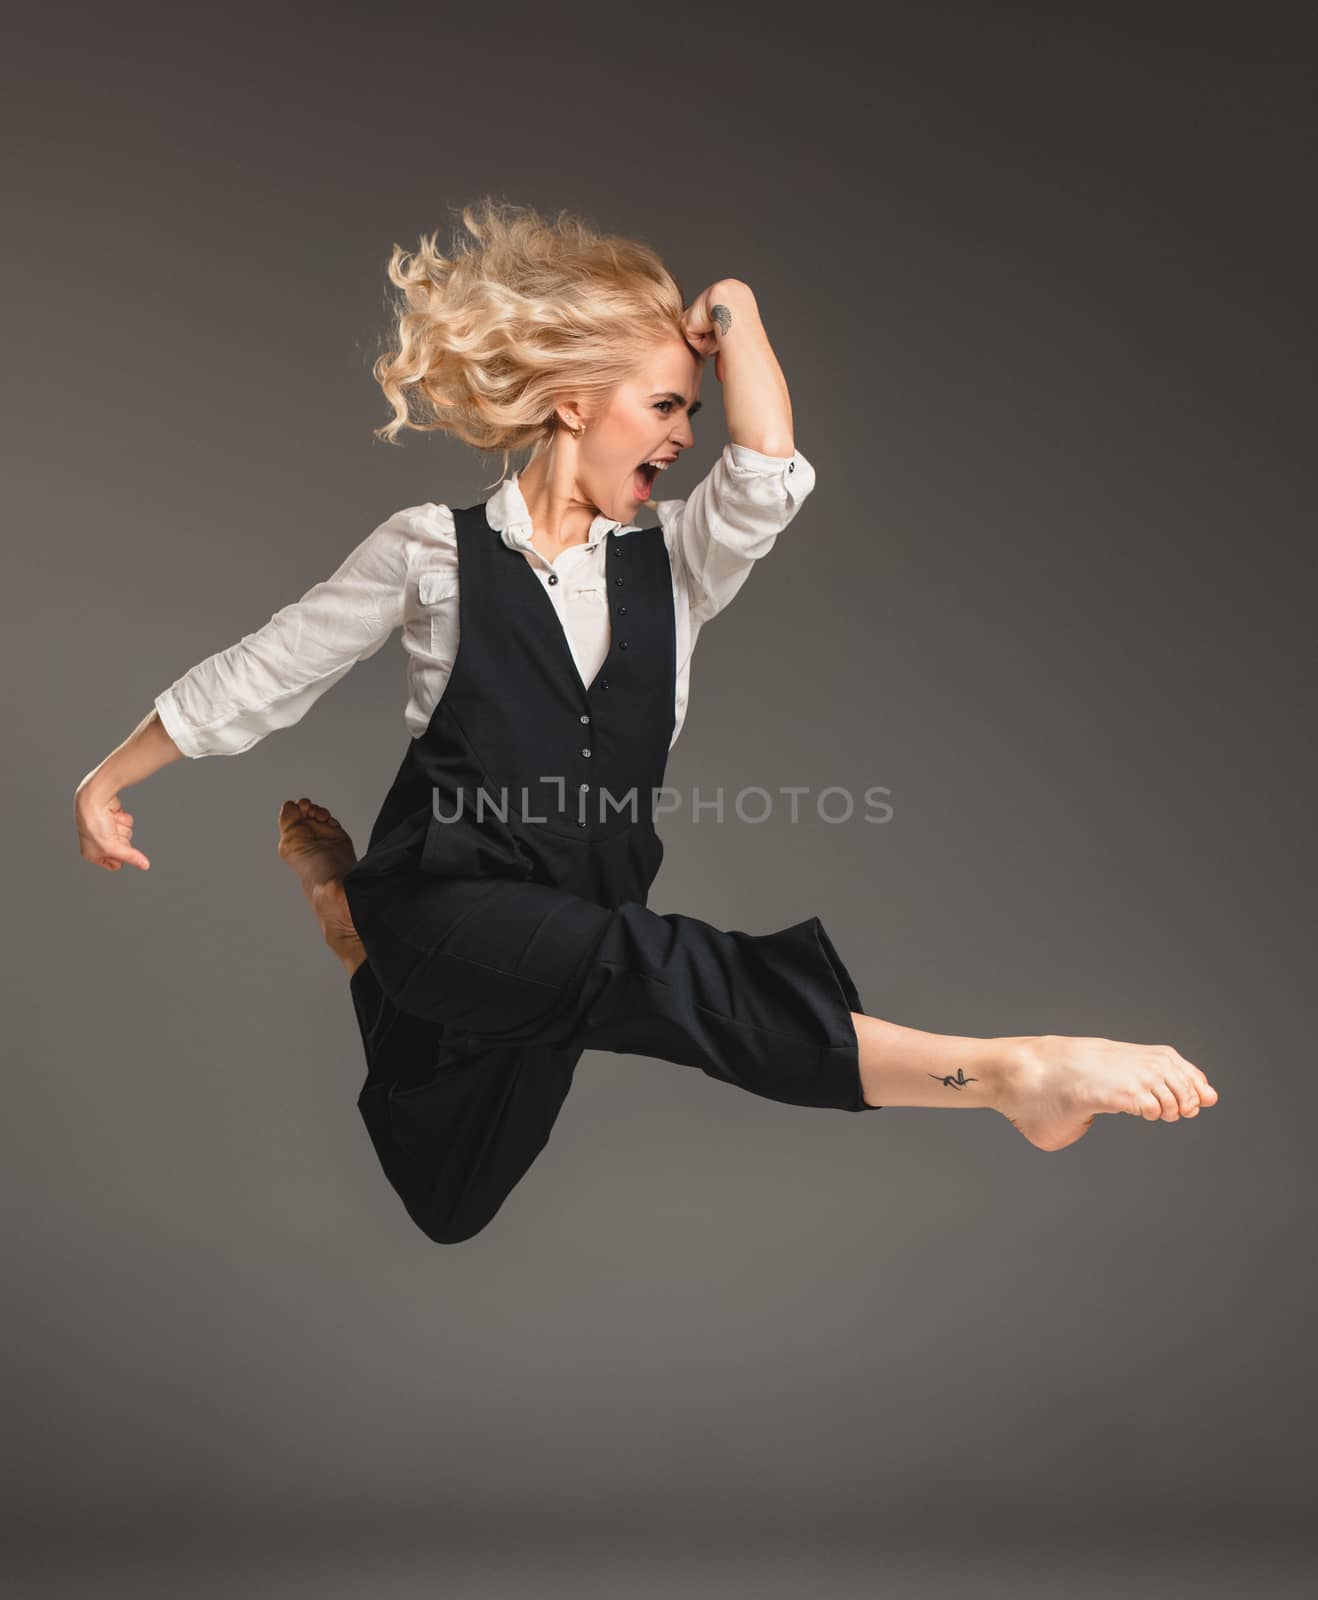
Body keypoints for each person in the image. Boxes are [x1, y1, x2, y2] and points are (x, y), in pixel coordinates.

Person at [73, 198, 1218, 1246]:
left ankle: (353, 934)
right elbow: (274, 664)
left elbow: (766, 467)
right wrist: (108, 776)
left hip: (572, 916)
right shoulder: (433, 550)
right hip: (453, 897)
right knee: (664, 971)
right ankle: (1010, 1074)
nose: (682, 435)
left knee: (451, 1192)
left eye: (689, 409)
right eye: (664, 405)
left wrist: (740, 312)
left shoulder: (672, 564)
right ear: (574, 402)